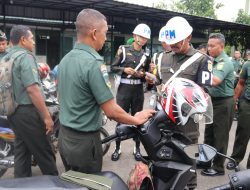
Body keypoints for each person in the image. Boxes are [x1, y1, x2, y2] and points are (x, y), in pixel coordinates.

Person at [57, 9, 155, 174]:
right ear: (94, 33)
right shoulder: (93, 63)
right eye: (105, 33)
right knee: (90, 184)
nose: (105, 37)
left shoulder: (66, 59)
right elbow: (111, 111)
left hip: (64, 138)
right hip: (84, 143)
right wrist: (135, 119)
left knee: (73, 182)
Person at [147, 16, 213, 190]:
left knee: (188, 168)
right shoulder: (162, 57)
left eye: (177, 42)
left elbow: (204, 93)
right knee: (162, 164)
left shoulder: (202, 60)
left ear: (189, 37)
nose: (173, 46)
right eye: (171, 42)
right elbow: (160, 83)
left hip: (187, 126)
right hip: (162, 122)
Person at [7, 25, 58, 178]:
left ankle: (20, 186)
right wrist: (46, 117)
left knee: (22, 152)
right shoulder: (26, 57)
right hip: (28, 112)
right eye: (32, 39)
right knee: (45, 152)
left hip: (12, 111)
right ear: (23, 40)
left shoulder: (7, 57)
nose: (34, 42)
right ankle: (54, 184)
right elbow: (32, 90)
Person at [110, 23, 151, 161]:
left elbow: (148, 73)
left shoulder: (146, 54)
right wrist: (124, 70)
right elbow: (113, 67)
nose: (143, 39)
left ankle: (137, 148)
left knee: (138, 120)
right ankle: (117, 148)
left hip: (138, 90)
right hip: (124, 90)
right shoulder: (123, 49)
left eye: (146, 38)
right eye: (141, 36)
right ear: (134, 36)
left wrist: (142, 74)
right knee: (120, 119)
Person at [201, 33, 234, 176]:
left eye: (212, 46)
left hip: (223, 102)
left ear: (221, 46)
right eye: (208, 45)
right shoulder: (212, 60)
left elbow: (214, 81)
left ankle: (219, 167)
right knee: (208, 133)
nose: (209, 48)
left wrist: (199, 75)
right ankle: (205, 161)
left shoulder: (224, 62)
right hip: (212, 100)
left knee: (220, 136)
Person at [226, 50, 250, 170]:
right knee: (242, 132)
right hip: (247, 103)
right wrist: (234, 100)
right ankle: (235, 159)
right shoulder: (247, 65)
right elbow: (240, 83)